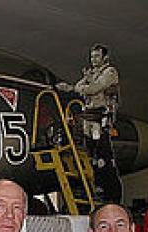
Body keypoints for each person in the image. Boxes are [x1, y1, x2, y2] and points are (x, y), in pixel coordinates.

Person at [57, 43, 122, 203]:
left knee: (103, 157)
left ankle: (111, 193)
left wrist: (80, 87)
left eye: (97, 56)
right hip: (90, 117)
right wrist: (74, 87)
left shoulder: (110, 72)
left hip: (101, 117)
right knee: (91, 156)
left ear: (105, 57)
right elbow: (80, 86)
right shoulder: (92, 73)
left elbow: (94, 88)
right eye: (92, 56)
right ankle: (97, 189)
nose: (93, 59)